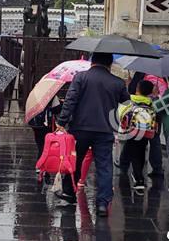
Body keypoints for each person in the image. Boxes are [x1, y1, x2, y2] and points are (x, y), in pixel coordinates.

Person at [55, 52, 130, 217]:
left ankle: (69, 193)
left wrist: (62, 121)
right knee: (104, 166)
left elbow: (71, 100)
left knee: (74, 161)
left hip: (80, 128)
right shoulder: (118, 83)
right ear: (110, 64)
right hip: (105, 130)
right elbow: (127, 104)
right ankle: (103, 204)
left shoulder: (81, 78)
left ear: (92, 62)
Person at [118, 80, 156, 193]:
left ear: (137, 89)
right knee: (140, 151)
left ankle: (139, 179)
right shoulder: (151, 102)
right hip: (146, 132)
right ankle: (126, 169)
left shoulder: (131, 99)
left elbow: (122, 113)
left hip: (132, 131)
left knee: (133, 151)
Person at [28, 96, 62, 163]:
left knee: (40, 145)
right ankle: (41, 164)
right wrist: (61, 103)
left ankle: (40, 163)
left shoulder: (34, 97)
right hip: (46, 125)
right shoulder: (51, 95)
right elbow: (57, 110)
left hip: (36, 124)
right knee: (45, 146)